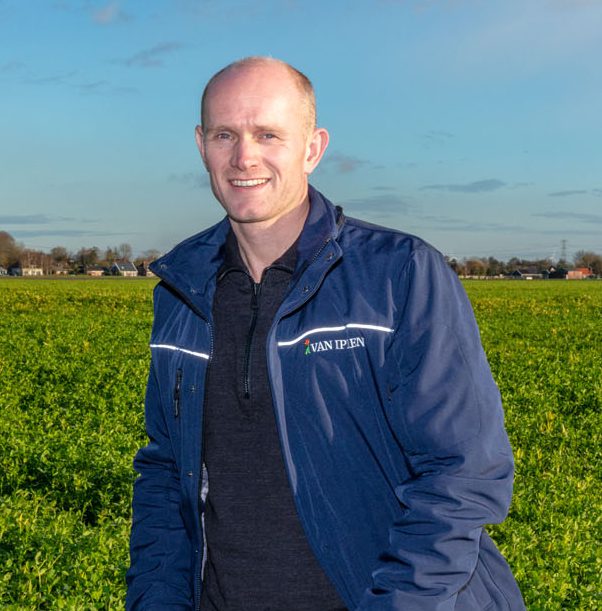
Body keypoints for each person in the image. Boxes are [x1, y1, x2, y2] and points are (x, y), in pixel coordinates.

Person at [126, 56, 525, 610]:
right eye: (224, 135)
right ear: (201, 145)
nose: (244, 157)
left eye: (268, 134)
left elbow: (463, 475)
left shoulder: (399, 274)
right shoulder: (182, 288)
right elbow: (167, 472)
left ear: (312, 148)